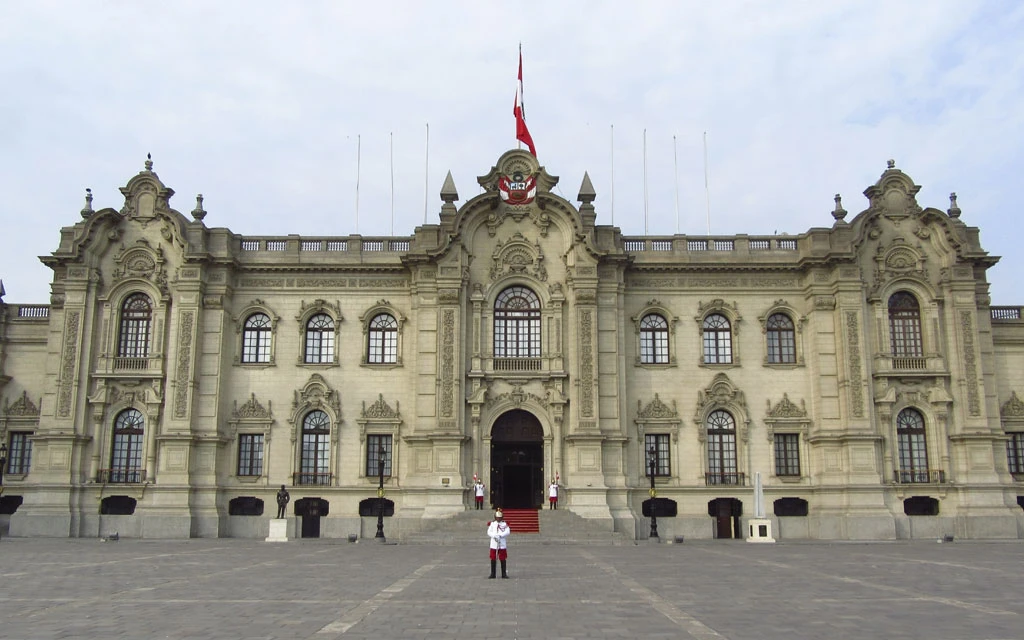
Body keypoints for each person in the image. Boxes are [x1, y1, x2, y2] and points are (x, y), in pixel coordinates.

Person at [486, 509, 510, 579]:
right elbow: (489, 532)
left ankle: (504, 574)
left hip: (502, 543)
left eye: (500, 517)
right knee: (493, 558)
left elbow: (507, 531)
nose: (498, 519)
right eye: (497, 517)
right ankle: (493, 573)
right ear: (495, 517)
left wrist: (501, 535)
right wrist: (494, 536)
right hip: (494, 543)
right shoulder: (492, 524)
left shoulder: (505, 524)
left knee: (503, 558)